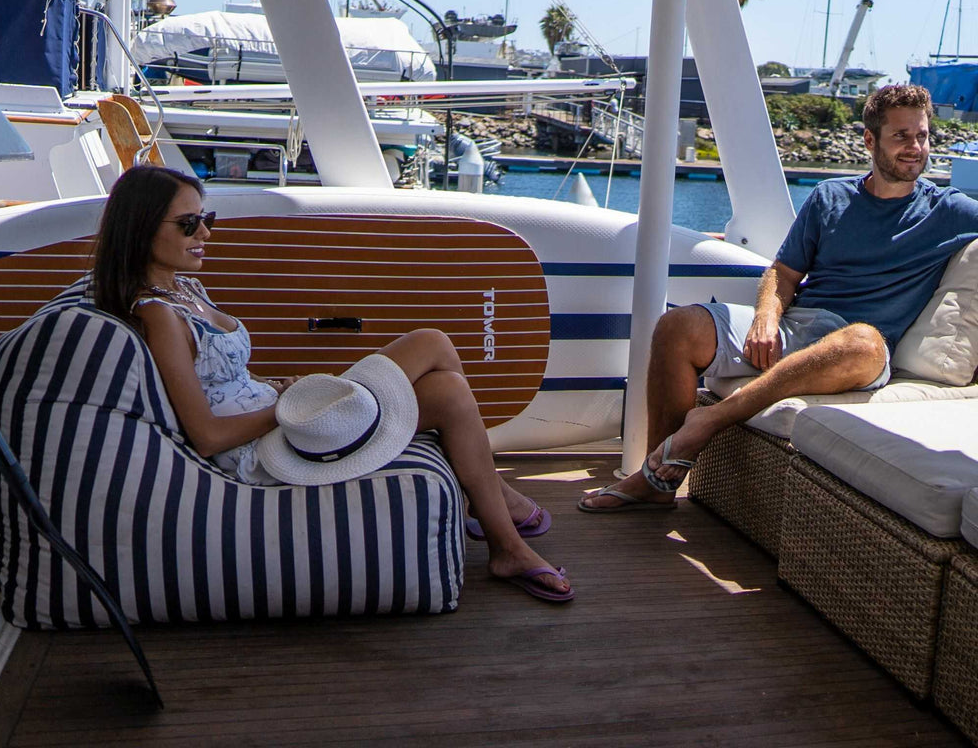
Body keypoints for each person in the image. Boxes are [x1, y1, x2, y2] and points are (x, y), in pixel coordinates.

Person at [92, 165, 572, 601]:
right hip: (268, 449)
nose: (204, 234)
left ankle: (501, 528)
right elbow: (207, 434)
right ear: (140, 227)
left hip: (281, 418)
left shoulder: (182, 288)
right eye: (187, 224)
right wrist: (284, 409)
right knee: (433, 348)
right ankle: (501, 520)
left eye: (206, 219)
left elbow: (220, 378)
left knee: (443, 375)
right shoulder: (158, 316)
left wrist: (272, 385)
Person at [581, 84, 978, 510]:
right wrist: (766, 317)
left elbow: (862, 342)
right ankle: (655, 483)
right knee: (676, 327)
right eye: (901, 136)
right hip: (797, 328)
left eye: (922, 136)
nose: (915, 147)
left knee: (862, 341)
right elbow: (783, 272)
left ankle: (707, 422)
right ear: (870, 139)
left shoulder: (950, 211)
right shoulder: (831, 197)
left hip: (859, 351)